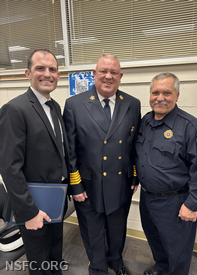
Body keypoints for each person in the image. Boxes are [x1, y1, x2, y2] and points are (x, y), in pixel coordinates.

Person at [63, 54, 141, 275]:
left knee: (118, 229)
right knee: (93, 231)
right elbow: (70, 151)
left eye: (113, 72)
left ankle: (116, 262)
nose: (108, 76)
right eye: (103, 71)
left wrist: (134, 176)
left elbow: (135, 145)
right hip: (88, 184)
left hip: (121, 182)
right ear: (94, 74)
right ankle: (97, 268)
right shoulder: (74, 105)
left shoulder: (132, 104)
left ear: (120, 76)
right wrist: (75, 186)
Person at [0, 49, 70, 275]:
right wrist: (29, 213)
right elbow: (10, 168)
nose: (47, 73)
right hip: (33, 203)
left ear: (58, 75)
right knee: (39, 262)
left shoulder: (55, 107)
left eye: (52, 69)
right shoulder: (15, 109)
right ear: (28, 73)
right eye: (40, 68)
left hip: (55, 199)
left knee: (54, 253)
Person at [135, 72, 197, 275]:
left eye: (167, 92)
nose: (160, 97)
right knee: (155, 241)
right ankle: (161, 268)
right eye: (155, 92)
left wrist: (192, 204)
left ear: (177, 95)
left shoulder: (191, 127)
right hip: (148, 198)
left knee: (178, 251)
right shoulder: (145, 122)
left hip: (175, 202)